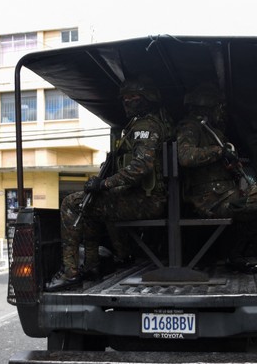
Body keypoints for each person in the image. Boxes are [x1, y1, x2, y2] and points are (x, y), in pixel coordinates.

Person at [46, 77, 174, 291]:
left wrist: (104, 184)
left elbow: (141, 167)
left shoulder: (146, 126)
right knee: (90, 206)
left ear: (147, 99)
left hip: (146, 200)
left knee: (71, 203)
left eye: (133, 97)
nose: (127, 101)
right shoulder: (142, 123)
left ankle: (70, 273)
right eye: (125, 97)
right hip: (144, 197)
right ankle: (93, 266)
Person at [176, 83, 257, 289]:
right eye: (217, 107)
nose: (220, 112)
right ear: (207, 105)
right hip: (213, 200)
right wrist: (219, 152)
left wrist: (231, 165)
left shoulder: (210, 130)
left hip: (223, 195)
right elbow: (185, 156)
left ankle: (248, 260)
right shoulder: (191, 127)